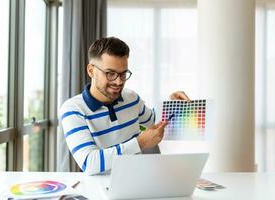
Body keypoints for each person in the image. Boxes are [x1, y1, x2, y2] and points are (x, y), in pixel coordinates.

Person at [59, 37, 190, 175]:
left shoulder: (131, 98)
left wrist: (172, 103)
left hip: (139, 181)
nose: (118, 82)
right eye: (110, 74)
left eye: (123, 74)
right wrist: (140, 143)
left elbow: (153, 120)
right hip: (101, 190)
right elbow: (89, 162)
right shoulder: (73, 110)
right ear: (91, 70)